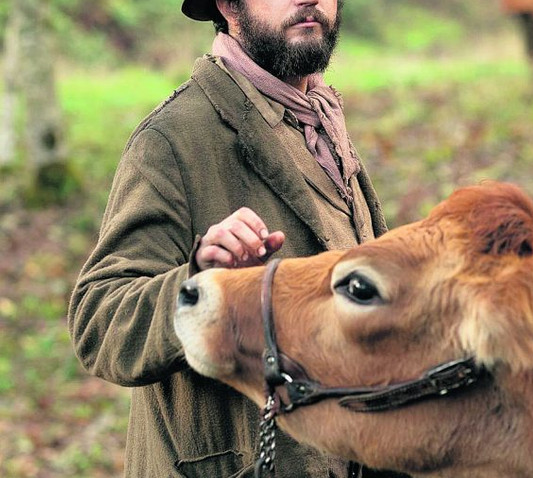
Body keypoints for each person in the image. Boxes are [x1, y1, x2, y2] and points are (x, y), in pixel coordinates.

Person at [68, 0, 407, 476]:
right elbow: (98, 321)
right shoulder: (173, 139)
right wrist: (200, 282)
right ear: (227, 5)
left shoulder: (321, 118)